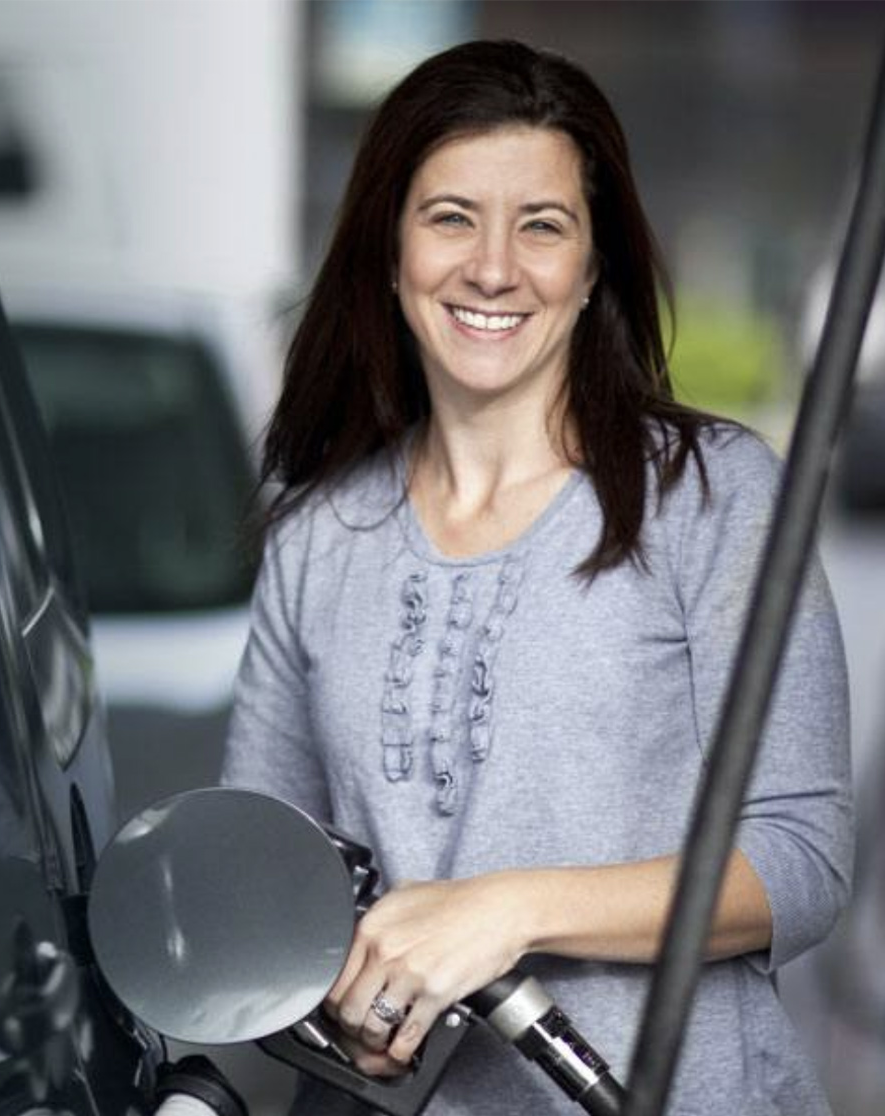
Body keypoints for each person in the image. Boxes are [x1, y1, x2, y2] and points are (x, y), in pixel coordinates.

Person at [223, 39, 853, 1116]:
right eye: (451, 216)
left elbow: (800, 863)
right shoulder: (320, 537)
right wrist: (326, 999)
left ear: (594, 263)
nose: (494, 268)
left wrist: (504, 911)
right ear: (388, 248)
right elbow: (259, 878)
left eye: (543, 225)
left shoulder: (713, 497)